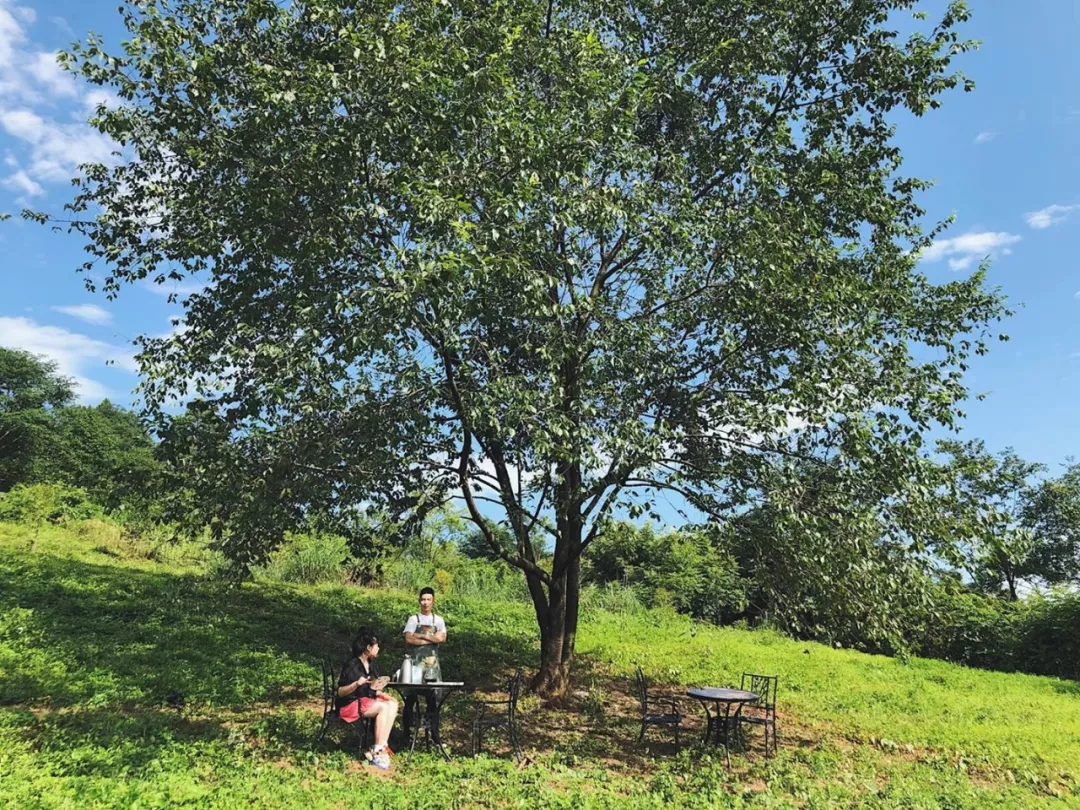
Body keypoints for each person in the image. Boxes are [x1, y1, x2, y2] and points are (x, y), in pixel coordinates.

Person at [337, 627, 398, 770]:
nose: (378, 648)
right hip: (350, 705)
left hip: (366, 702)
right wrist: (354, 685)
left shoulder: (371, 665)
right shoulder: (352, 665)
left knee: (392, 703)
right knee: (383, 707)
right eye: (376, 645)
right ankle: (378, 749)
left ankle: (382, 745)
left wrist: (380, 691)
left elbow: (371, 689)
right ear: (368, 647)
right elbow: (340, 692)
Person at [401, 586, 447, 744]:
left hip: (431, 665)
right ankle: (406, 734)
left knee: (432, 700)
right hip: (414, 665)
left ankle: (433, 734)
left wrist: (420, 635)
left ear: (433, 601)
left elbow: (442, 639)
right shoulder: (413, 619)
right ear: (419, 601)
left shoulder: (438, 620)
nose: (425, 602)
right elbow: (409, 639)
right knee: (410, 699)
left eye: (428, 599)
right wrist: (429, 637)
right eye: (423, 599)